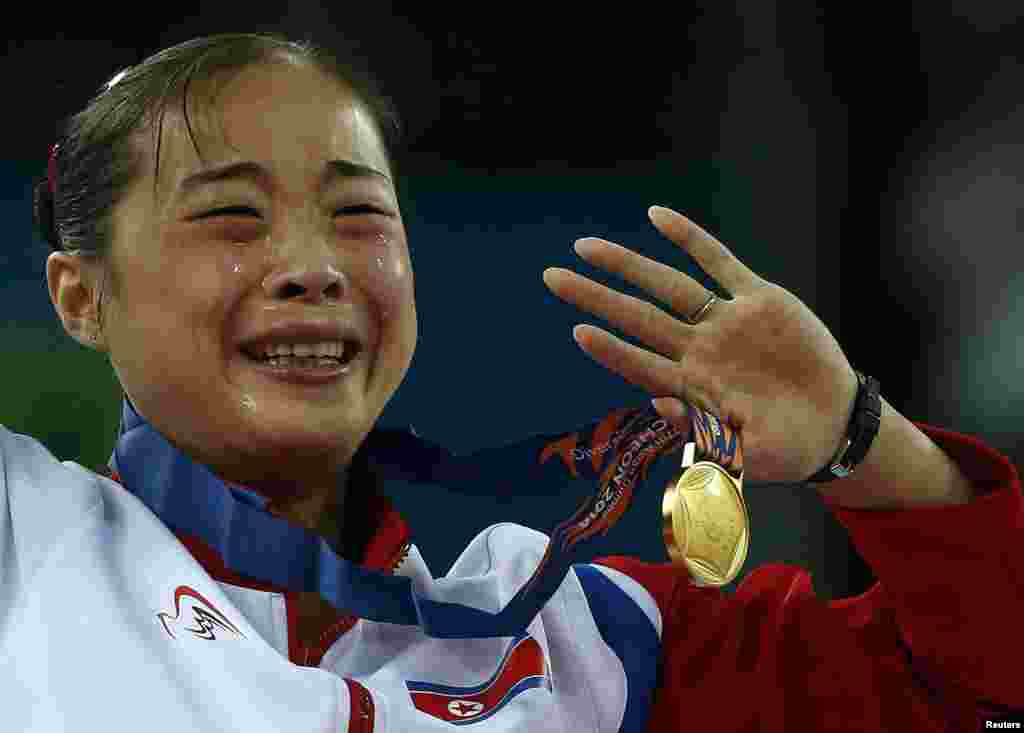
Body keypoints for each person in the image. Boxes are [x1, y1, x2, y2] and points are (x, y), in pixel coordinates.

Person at [2, 32, 1020, 732]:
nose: (313, 264)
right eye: (232, 215)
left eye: (359, 217)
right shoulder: (29, 547)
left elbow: (983, 687)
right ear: (80, 295)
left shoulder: (598, 651)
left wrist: (860, 437)